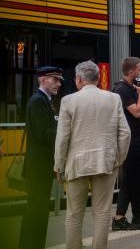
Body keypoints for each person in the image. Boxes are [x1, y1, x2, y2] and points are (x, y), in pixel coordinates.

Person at [54, 61, 131, 249]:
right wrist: (117, 158)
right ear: (97, 78)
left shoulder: (68, 101)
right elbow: (125, 133)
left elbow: (63, 138)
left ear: (79, 79)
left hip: (76, 164)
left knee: (74, 214)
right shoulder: (113, 99)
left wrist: (59, 165)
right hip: (105, 163)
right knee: (102, 212)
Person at [19, 66, 63, 249]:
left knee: (37, 211)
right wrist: (63, 131)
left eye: (59, 81)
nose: (59, 84)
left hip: (40, 168)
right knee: (36, 212)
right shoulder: (38, 101)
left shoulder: (44, 100)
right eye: (55, 80)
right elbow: (43, 133)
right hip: (38, 169)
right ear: (43, 79)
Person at [112, 57, 140, 230]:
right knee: (132, 180)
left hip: (136, 143)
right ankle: (126, 218)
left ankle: (130, 217)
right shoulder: (122, 90)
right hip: (131, 144)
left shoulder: (128, 88)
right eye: (139, 69)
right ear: (132, 70)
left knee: (134, 180)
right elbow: (137, 113)